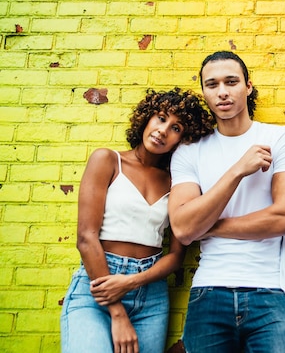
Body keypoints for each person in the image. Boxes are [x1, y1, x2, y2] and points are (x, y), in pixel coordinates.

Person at [167, 51, 285, 353]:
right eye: (212, 84)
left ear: (248, 86)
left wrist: (210, 227)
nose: (222, 92)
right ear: (204, 92)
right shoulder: (189, 151)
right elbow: (182, 228)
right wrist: (237, 170)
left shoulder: (280, 139)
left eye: (231, 82)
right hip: (209, 291)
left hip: (270, 291)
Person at [60, 87, 213, 353]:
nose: (163, 130)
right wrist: (117, 313)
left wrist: (132, 282)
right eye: (161, 118)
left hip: (150, 294)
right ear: (147, 118)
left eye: (176, 128)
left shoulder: (178, 183)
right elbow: (86, 238)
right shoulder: (107, 160)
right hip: (97, 287)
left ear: (183, 139)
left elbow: (176, 256)